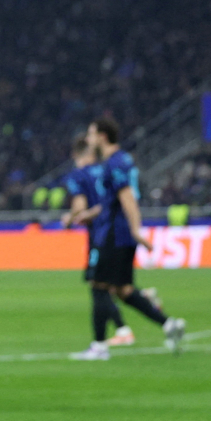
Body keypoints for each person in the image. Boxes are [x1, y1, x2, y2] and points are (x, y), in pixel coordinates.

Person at [70, 119, 185, 361]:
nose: (89, 140)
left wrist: (136, 230)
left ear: (102, 136)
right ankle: (169, 324)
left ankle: (99, 347)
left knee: (98, 285)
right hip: (116, 230)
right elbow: (109, 203)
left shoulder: (114, 163)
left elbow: (127, 198)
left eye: (91, 134)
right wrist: (87, 215)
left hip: (114, 233)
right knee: (123, 290)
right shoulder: (121, 161)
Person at [60, 138, 133, 348]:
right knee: (106, 285)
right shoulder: (105, 170)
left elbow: (80, 204)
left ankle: (121, 329)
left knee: (98, 285)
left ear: (77, 156)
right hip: (115, 232)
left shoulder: (77, 176)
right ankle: (127, 319)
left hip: (99, 236)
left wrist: (72, 218)